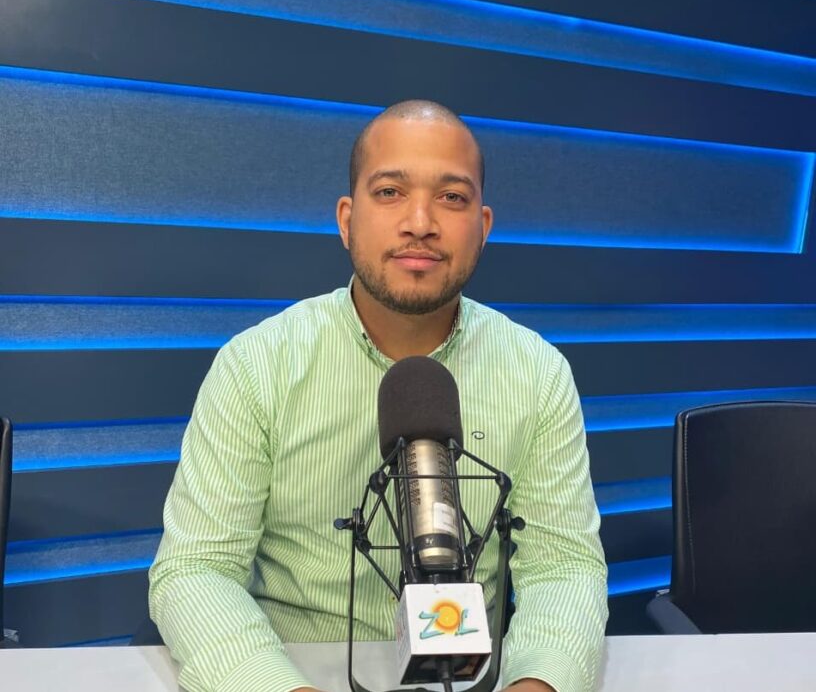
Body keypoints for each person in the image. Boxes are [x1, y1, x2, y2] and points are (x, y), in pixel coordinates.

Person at [149, 100, 608, 692]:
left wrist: (536, 685)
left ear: (483, 227)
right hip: (294, 672)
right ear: (347, 219)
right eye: (390, 192)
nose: (420, 221)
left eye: (451, 197)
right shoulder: (257, 365)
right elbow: (196, 570)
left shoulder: (537, 373)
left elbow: (563, 568)